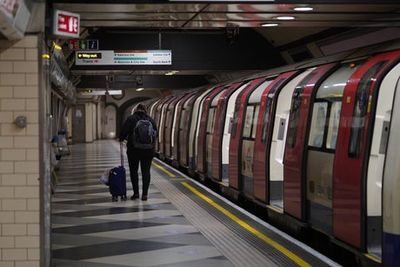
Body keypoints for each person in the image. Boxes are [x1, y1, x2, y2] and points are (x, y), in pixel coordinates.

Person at [119, 103, 157, 201]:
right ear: (145, 110)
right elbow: (155, 134)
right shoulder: (151, 120)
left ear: (136, 109)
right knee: (146, 172)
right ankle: (145, 195)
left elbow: (123, 133)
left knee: (133, 172)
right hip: (148, 151)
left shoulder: (131, 119)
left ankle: (136, 193)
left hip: (133, 150)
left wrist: (121, 139)